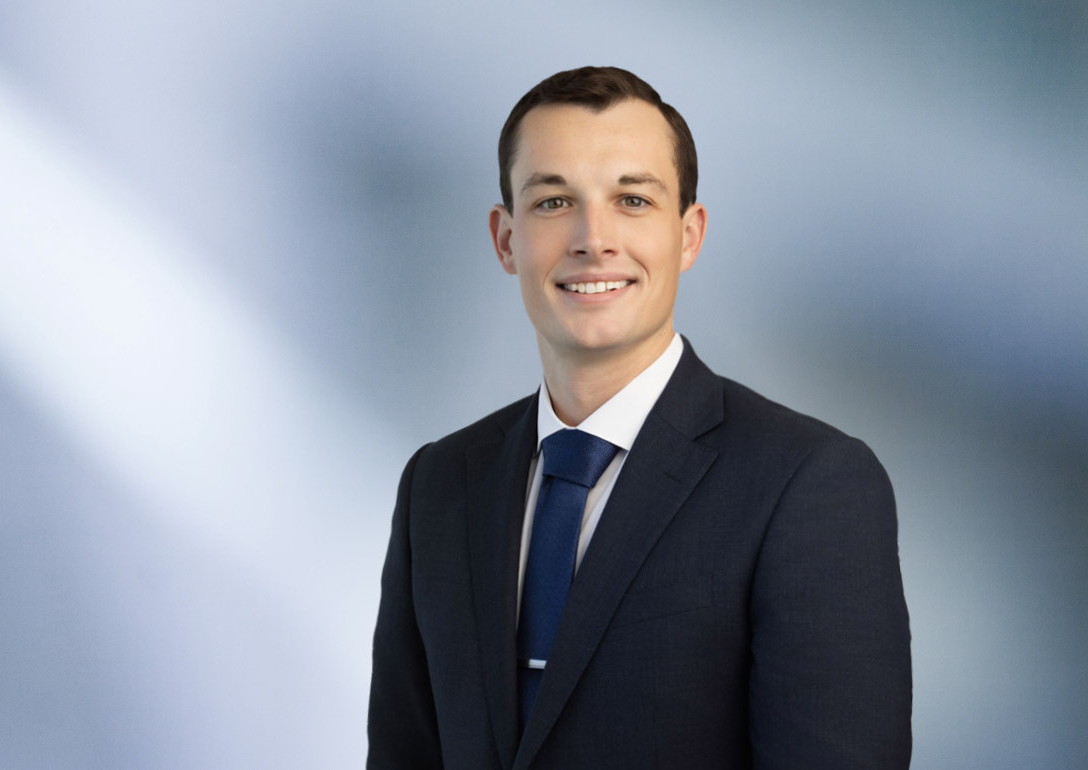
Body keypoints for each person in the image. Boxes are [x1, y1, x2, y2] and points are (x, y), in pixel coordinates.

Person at [366, 66, 912, 769]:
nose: (594, 238)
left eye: (632, 200)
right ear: (505, 240)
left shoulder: (808, 485)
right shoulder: (440, 486)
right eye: (555, 201)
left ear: (689, 234)